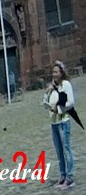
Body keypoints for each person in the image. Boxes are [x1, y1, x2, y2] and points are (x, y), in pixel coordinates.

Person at [46, 60, 76, 188]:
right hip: (54, 123)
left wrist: (58, 108)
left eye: (56, 72)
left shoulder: (66, 85)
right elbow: (46, 101)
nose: (54, 74)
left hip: (63, 121)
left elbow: (71, 103)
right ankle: (62, 175)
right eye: (53, 72)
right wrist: (47, 93)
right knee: (59, 151)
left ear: (62, 73)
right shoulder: (52, 87)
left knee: (66, 149)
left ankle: (69, 177)